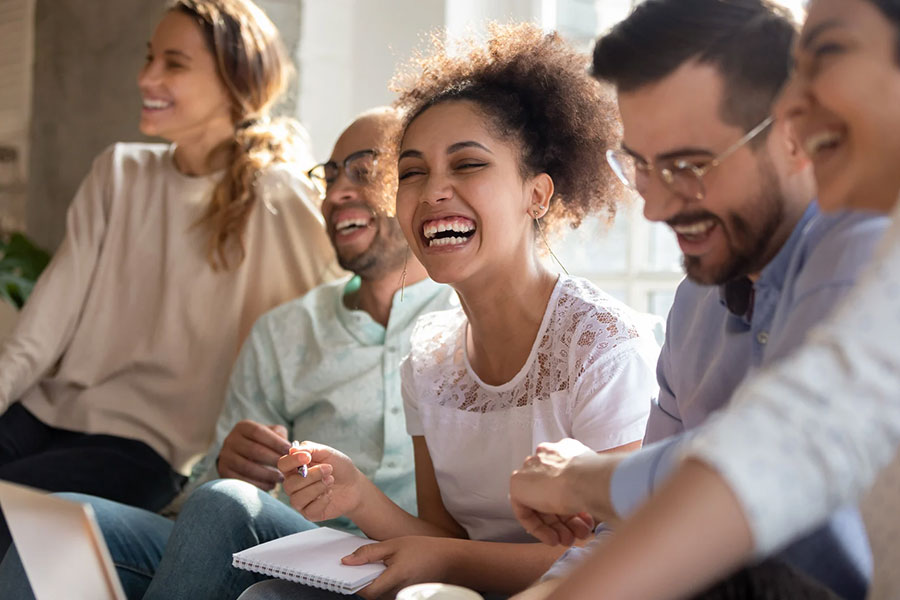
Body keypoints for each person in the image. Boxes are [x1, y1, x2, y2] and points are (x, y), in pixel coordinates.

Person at [240, 22, 659, 600]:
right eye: (412, 172)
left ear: (537, 194)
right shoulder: (431, 357)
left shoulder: (605, 347)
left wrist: (440, 558)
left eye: (467, 164)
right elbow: (443, 539)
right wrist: (357, 494)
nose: (433, 190)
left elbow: (626, 558)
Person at [508, 1, 900, 599]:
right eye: (639, 165)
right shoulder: (696, 303)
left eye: (689, 166)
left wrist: (581, 479)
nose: (656, 207)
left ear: (787, 140)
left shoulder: (866, 242)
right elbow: (645, 521)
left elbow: (780, 450)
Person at [0, 107, 456, 600]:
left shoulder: (465, 318)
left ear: (414, 185)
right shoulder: (286, 330)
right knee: (61, 523)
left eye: (363, 172)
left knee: (227, 506)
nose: (337, 191)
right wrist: (227, 465)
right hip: (295, 544)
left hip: (404, 563)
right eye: (329, 174)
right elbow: (203, 495)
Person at [0, 0, 340, 549]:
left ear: (235, 81)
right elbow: (42, 328)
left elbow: (323, 326)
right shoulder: (118, 171)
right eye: (149, 57)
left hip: (149, 452)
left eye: (173, 63)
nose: (146, 77)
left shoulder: (276, 194)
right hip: (42, 413)